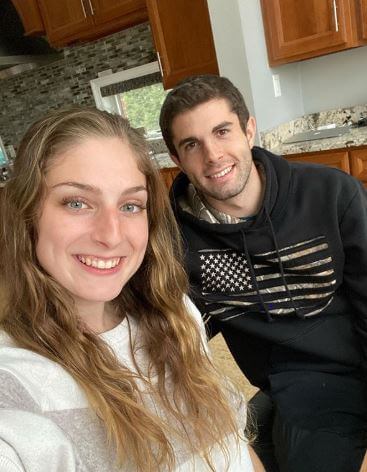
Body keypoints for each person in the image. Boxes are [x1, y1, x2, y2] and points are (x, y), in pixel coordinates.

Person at [0, 108, 262, 471]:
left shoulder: (176, 315)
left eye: (130, 205)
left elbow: (233, 442)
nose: (111, 235)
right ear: (27, 213)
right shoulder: (16, 384)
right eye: (77, 203)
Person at [159, 74, 367, 472]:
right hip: (301, 390)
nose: (213, 155)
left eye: (222, 132)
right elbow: (174, 335)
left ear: (249, 129)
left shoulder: (331, 193)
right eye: (192, 144)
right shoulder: (176, 243)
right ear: (176, 160)